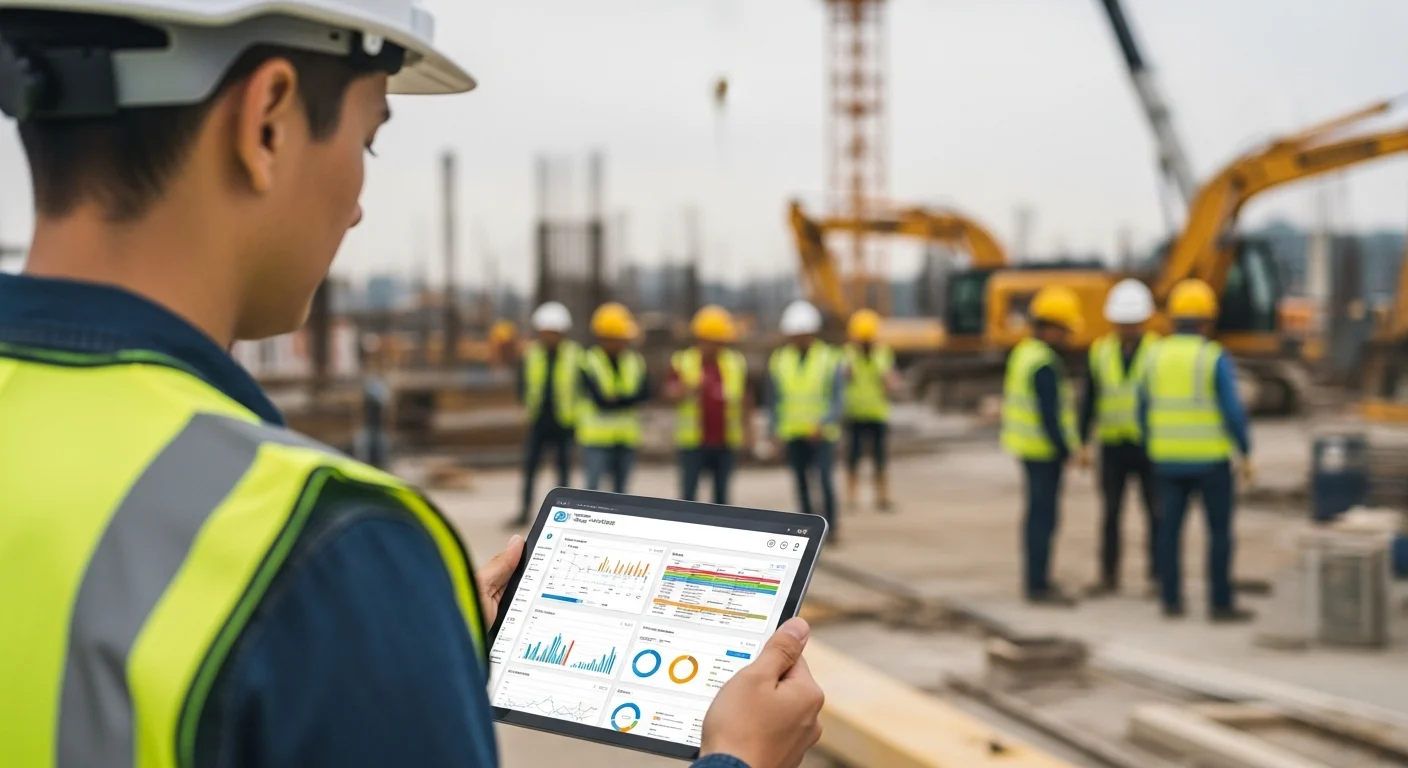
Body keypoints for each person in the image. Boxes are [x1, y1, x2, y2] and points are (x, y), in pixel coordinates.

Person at [0, 4, 824, 768]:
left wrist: (399, 647)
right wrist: (737, 760)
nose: (359, 207)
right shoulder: (326, 551)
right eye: (369, 140)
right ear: (269, 121)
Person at [1140, 279, 1256, 622]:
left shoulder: (1154, 356)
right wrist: (1245, 451)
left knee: (1169, 533)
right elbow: (1232, 411)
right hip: (1210, 462)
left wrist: (1154, 445)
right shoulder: (1212, 357)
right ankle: (1220, 603)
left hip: (1166, 461)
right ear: (1207, 320)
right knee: (1218, 533)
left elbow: (1142, 408)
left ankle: (1171, 599)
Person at [1001, 286, 1084, 606]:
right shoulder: (1044, 363)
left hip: (1027, 449)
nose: (1066, 337)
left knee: (1036, 517)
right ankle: (1038, 584)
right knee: (1043, 519)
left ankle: (1036, 579)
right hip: (1043, 452)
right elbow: (1050, 415)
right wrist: (1067, 451)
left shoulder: (1024, 353)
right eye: (1063, 330)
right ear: (1050, 327)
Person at [1078, 279, 1161, 597]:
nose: (1128, 329)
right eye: (1123, 324)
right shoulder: (1100, 352)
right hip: (1112, 446)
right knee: (1111, 514)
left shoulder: (1157, 351)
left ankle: (1156, 575)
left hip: (1147, 445)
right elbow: (1089, 398)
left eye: (1133, 323)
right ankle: (1108, 575)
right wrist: (1083, 440)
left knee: (1155, 513)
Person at [769, 300, 844, 537]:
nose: (800, 339)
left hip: (822, 434)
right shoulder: (780, 360)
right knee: (800, 482)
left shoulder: (829, 358)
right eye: (796, 334)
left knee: (824, 481)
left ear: (812, 332)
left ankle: (830, 528)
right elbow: (775, 401)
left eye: (804, 334)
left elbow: (837, 399)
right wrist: (774, 431)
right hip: (793, 432)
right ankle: (806, 527)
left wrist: (824, 423)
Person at [667, 305, 752, 504]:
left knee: (721, 498)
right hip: (693, 442)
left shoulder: (735, 362)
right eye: (713, 341)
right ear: (701, 339)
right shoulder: (683, 361)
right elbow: (669, 393)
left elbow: (746, 398)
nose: (716, 346)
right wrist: (686, 390)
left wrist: (748, 430)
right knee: (689, 497)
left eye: (720, 342)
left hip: (725, 441)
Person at [511, 302, 581, 526]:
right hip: (538, 420)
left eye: (553, 333)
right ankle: (524, 511)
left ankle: (565, 514)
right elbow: (522, 385)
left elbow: (582, 388)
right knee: (530, 469)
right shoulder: (530, 354)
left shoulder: (575, 355)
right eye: (546, 332)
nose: (549, 337)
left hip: (564, 422)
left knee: (562, 473)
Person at [578, 302, 650, 494]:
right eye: (619, 338)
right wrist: (626, 399)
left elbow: (644, 394)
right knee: (592, 491)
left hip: (626, 437)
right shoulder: (588, 360)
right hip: (597, 438)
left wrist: (616, 399)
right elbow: (600, 400)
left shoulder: (634, 361)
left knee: (621, 493)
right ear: (605, 337)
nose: (623, 342)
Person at [841, 309, 901, 512]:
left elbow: (890, 381)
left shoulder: (882, 354)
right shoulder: (848, 355)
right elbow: (843, 379)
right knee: (853, 457)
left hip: (876, 413)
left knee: (879, 458)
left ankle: (882, 496)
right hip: (855, 413)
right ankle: (851, 496)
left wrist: (889, 381)